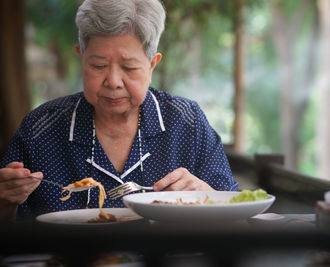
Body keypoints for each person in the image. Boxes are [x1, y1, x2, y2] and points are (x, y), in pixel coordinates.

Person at [0, 0, 238, 221]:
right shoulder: (41, 128)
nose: (113, 81)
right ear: (81, 58)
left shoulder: (186, 121)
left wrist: (206, 196)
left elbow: (235, 213)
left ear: (152, 64)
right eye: (99, 66)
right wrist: (5, 200)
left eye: (129, 67)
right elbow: (10, 228)